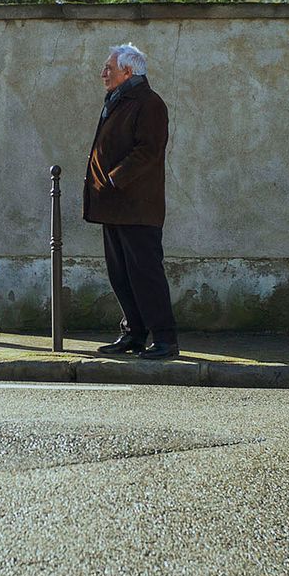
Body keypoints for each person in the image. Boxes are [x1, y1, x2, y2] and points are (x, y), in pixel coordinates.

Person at [83, 43, 179, 359]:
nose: (103, 73)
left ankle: (165, 339)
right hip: (114, 206)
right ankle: (134, 335)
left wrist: (114, 178)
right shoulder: (119, 101)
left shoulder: (149, 104)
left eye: (108, 68)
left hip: (137, 207)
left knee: (145, 274)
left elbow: (148, 151)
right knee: (121, 274)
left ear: (128, 70)